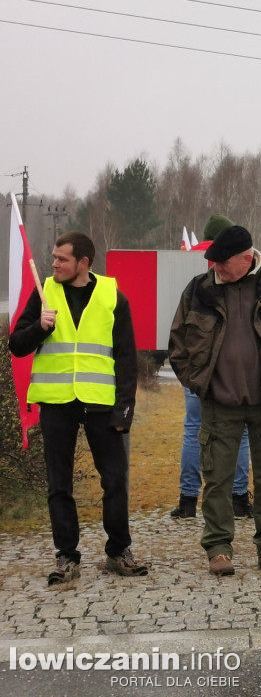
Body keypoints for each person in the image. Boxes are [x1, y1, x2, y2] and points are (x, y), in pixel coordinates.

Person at [169, 225, 261, 576]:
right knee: (217, 479)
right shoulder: (199, 290)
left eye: (222, 261)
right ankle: (219, 549)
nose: (216, 267)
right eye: (214, 261)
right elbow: (178, 345)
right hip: (219, 404)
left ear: (247, 258)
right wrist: (199, 384)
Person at [9, 230, 148, 584]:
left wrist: (124, 410)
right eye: (54, 258)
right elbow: (16, 345)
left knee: (115, 481)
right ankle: (66, 557)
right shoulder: (44, 293)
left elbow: (127, 359)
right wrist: (39, 328)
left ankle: (119, 551)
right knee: (59, 484)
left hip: (101, 404)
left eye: (61, 259)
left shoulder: (112, 295)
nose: (54, 264)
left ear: (83, 263)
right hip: (57, 405)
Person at [170, 214, 253, 520]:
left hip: (196, 359)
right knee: (241, 432)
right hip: (232, 363)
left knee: (194, 430)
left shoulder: (184, 257)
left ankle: (188, 499)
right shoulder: (237, 261)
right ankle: (239, 498)